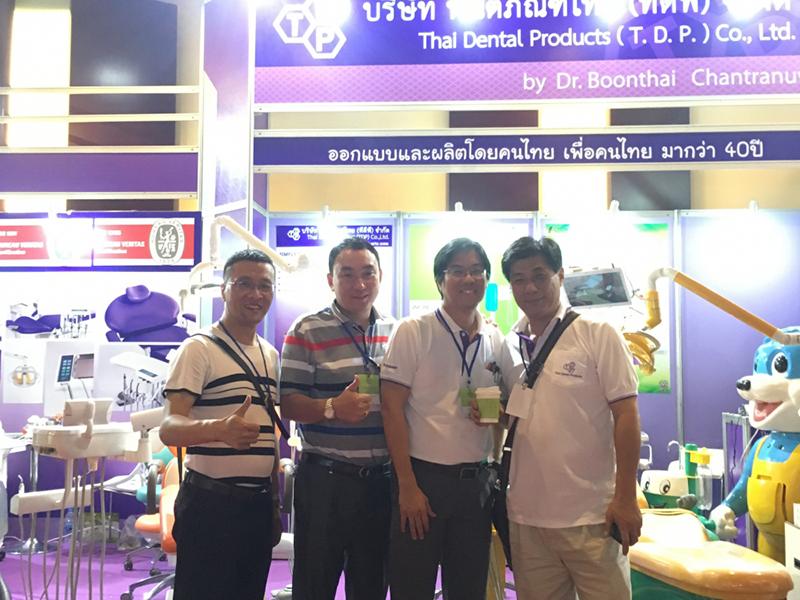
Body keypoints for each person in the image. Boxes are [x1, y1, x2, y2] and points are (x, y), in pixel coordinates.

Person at [497, 236, 641, 600]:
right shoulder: (509, 344)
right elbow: (520, 416)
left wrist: (626, 497)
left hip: (592, 517)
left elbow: (626, 415)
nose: (530, 288)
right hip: (527, 518)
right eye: (518, 279)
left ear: (560, 276)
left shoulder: (598, 335)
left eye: (539, 276)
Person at [380, 237, 507, 600]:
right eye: (457, 271)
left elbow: (506, 409)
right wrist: (407, 485)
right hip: (424, 481)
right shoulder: (414, 330)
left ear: (487, 279)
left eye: (477, 271)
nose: (469, 279)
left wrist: (496, 416)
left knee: (468, 588)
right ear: (440, 280)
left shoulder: (494, 338)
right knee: (412, 586)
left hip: (476, 485)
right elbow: (391, 408)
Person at [159, 248, 282, 600]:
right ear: (224, 290)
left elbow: (270, 436)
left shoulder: (270, 354)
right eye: (244, 283)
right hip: (210, 504)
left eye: (264, 285)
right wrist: (219, 429)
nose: (256, 294)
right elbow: (169, 427)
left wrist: (274, 502)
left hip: (257, 506)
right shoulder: (198, 348)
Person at [280, 237, 395, 600]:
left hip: (380, 483)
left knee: (371, 586)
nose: (359, 284)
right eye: (347, 274)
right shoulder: (306, 330)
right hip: (325, 482)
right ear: (330, 280)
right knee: (315, 585)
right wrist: (331, 406)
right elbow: (288, 404)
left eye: (368, 273)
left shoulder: (396, 332)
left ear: (380, 276)